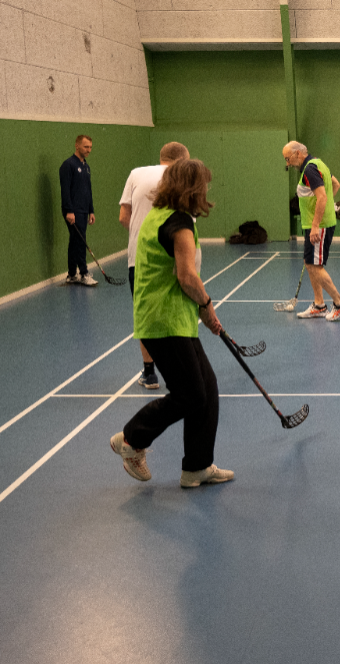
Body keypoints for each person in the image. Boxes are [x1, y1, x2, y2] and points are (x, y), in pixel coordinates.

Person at [110, 159, 234, 488]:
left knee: (206, 389)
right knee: (191, 394)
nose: (206, 190)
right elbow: (187, 277)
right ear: (191, 188)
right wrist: (208, 308)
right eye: (202, 185)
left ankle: (197, 466)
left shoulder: (157, 215)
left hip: (174, 318)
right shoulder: (179, 223)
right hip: (163, 321)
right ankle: (132, 439)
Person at [119, 142, 190, 390]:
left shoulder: (136, 174)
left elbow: (123, 217)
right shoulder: (183, 176)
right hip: (173, 255)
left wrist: (146, 237)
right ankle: (180, 369)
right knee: (177, 312)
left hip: (139, 258)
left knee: (145, 317)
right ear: (181, 160)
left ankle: (150, 373)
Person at [282, 141, 340, 321]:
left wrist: (315, 224)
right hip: (316, 223)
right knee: (309, 263)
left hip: (318, 226)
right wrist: (326, 206)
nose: (287, 164)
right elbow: (335, 184)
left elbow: (322, 196)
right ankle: (319, 305)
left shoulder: (309, 170)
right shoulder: (318, 164)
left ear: (298, 153)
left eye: (288, 159)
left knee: (315, 266)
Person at [59, 135, 97, 286]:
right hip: (73, 211)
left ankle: (72, 274)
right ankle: (83, 273)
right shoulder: (68, 165)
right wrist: (69, 211)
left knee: (75, 241)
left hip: (83, 211)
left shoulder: (86, 166)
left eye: (90, 147)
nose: (89, 150)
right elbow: (65, 190)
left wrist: (91, 211)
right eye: (86, 147)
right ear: (77, 146)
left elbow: (88, 190)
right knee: (81, 242)